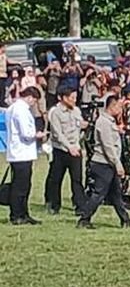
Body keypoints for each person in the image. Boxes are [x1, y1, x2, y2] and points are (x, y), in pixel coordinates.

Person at [75, 95, 130, 229]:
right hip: (103, 163)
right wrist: (118, 164)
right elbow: (107, 146)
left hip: (108, 163)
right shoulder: (103, 122)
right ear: (112, 106)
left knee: (116, 194)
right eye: (119, 107)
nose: (120, 110)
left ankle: (125, 219)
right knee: (99, 194)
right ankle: (84, 218)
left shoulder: (109, 121)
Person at [5, 87, 46, 225]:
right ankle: (17, 214)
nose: (34, 104)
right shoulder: (21, 110)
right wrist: (37, 134)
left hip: (18, 152)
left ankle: (23, 213)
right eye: (34, 101)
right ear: (29, 97)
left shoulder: (13, 108)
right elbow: (26, 133)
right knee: (21, 187)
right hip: (22, 153)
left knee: (22, 185)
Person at [45, 85, 86, 215]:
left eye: (75, 97)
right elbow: (57, 133)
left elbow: (79, 125)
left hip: (76, 148)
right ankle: (54, 204)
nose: (74, 100)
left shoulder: (76, 111)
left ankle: (80, 205)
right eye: (71, 97)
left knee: (77, 179)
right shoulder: (55, 112)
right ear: (61, 98)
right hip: (60, 149)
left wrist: (83, 126)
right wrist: (69, 147)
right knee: (56, 178)